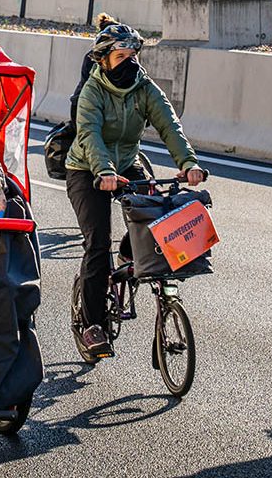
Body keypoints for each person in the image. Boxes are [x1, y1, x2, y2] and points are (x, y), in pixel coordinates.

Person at [66, 23, 204, 359]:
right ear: (104, 60)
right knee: (98, 243)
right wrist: (103, 171)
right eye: (121, 56)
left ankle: (130, 256)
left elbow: (169, 126)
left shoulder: (145, 88)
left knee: (157, 218)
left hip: (127, 163)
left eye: (133, 55)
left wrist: (188, 163)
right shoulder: (92, 92)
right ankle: (93, 325)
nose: (129, 62)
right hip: (88, 169)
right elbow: (90, 135)